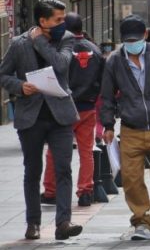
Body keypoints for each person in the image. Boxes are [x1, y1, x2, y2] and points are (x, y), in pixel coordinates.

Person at [0, 0, 83, 240]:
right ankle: (33, 223)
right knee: (32, 170)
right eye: (57, 20)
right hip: (31, 117)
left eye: (63, 19)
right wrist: (19, 86)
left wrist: (39, 41)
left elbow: (61, 65)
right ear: (42, 21)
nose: (62, 23)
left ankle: (63, 223)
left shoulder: (66, 39)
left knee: (63, 169)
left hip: (60, 116)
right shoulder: (18, 44)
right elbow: (3, 74)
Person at [100, 15, 150, 240]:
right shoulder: (114, 61)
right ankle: (141, 222)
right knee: (132, 179)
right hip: (130, 128)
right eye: (128, 40)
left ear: (145, 35)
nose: (132, 44)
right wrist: (107, 125)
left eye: (136, 39)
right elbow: (106, 96)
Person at [42, 13, 105, 207]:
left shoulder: (59, 49)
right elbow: (102, 82)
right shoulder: (95, 49)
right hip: (87, 108)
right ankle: (85, 191)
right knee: (86, 151)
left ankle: (51, 191)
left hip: (63, 108)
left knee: (54, 150)